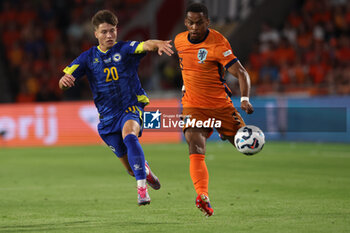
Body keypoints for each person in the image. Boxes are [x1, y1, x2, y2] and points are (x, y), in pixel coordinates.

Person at [59, 10, 174, 206]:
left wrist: (158, 44)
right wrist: (64, 80)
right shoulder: (87, 58)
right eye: (104, 32)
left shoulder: (125, 48)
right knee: (131, 168)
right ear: (95, 34)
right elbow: (63, 82)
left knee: (129, 134)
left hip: (130, 107)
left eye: (112, 31)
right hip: (107, 119)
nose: (109, 35)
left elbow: (145, 44)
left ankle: (142, 191)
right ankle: (145, 173)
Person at [174, 3, 254, 217]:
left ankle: (223, 130)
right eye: (190, 22)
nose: (194, 26)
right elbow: (186, 66)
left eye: (199, 22)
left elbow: (242, 72)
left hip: (220, 106)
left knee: (247, 147)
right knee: (195, 145)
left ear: (207, 22)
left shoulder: (218, 42)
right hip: (193, 105)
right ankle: (202, 195)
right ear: (185, 23)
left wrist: (244, 99)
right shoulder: (179, 40)